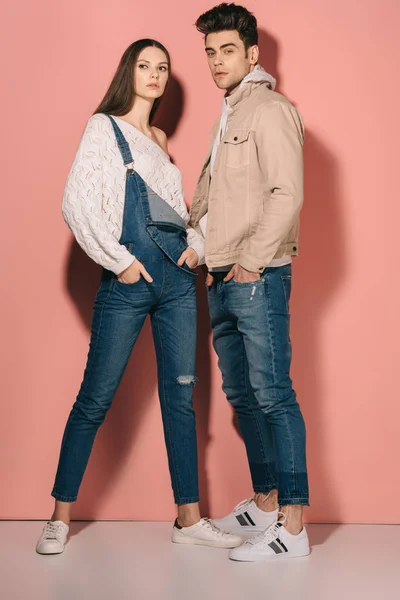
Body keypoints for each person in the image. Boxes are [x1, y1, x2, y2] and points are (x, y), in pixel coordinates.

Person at [36, 38, 242, 555]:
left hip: (177, 283)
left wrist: (196, 246)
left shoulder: (160, 136)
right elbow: (76, 201)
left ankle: (189, 517)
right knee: (95, 399)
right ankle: (59, 515)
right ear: (129, 72)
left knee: (181, 400)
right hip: (130, 279)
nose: (154, 75)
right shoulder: (103, 127)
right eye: (144, 66)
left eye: (162, 68)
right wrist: (120, 261)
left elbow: (178, 212)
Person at [189, 4, 310, 561]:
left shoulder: (270, 110)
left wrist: (253, 262)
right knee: (241, 393)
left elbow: (288, 194)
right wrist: (195, 239)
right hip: (220, 275)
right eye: (210, 52)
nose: (216, 61)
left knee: (273, 393)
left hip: (255, 274)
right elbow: (215, 192)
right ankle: (265, 502)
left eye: (227, 50)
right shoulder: (229, 114)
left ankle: (294, 524)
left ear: (252, 53)